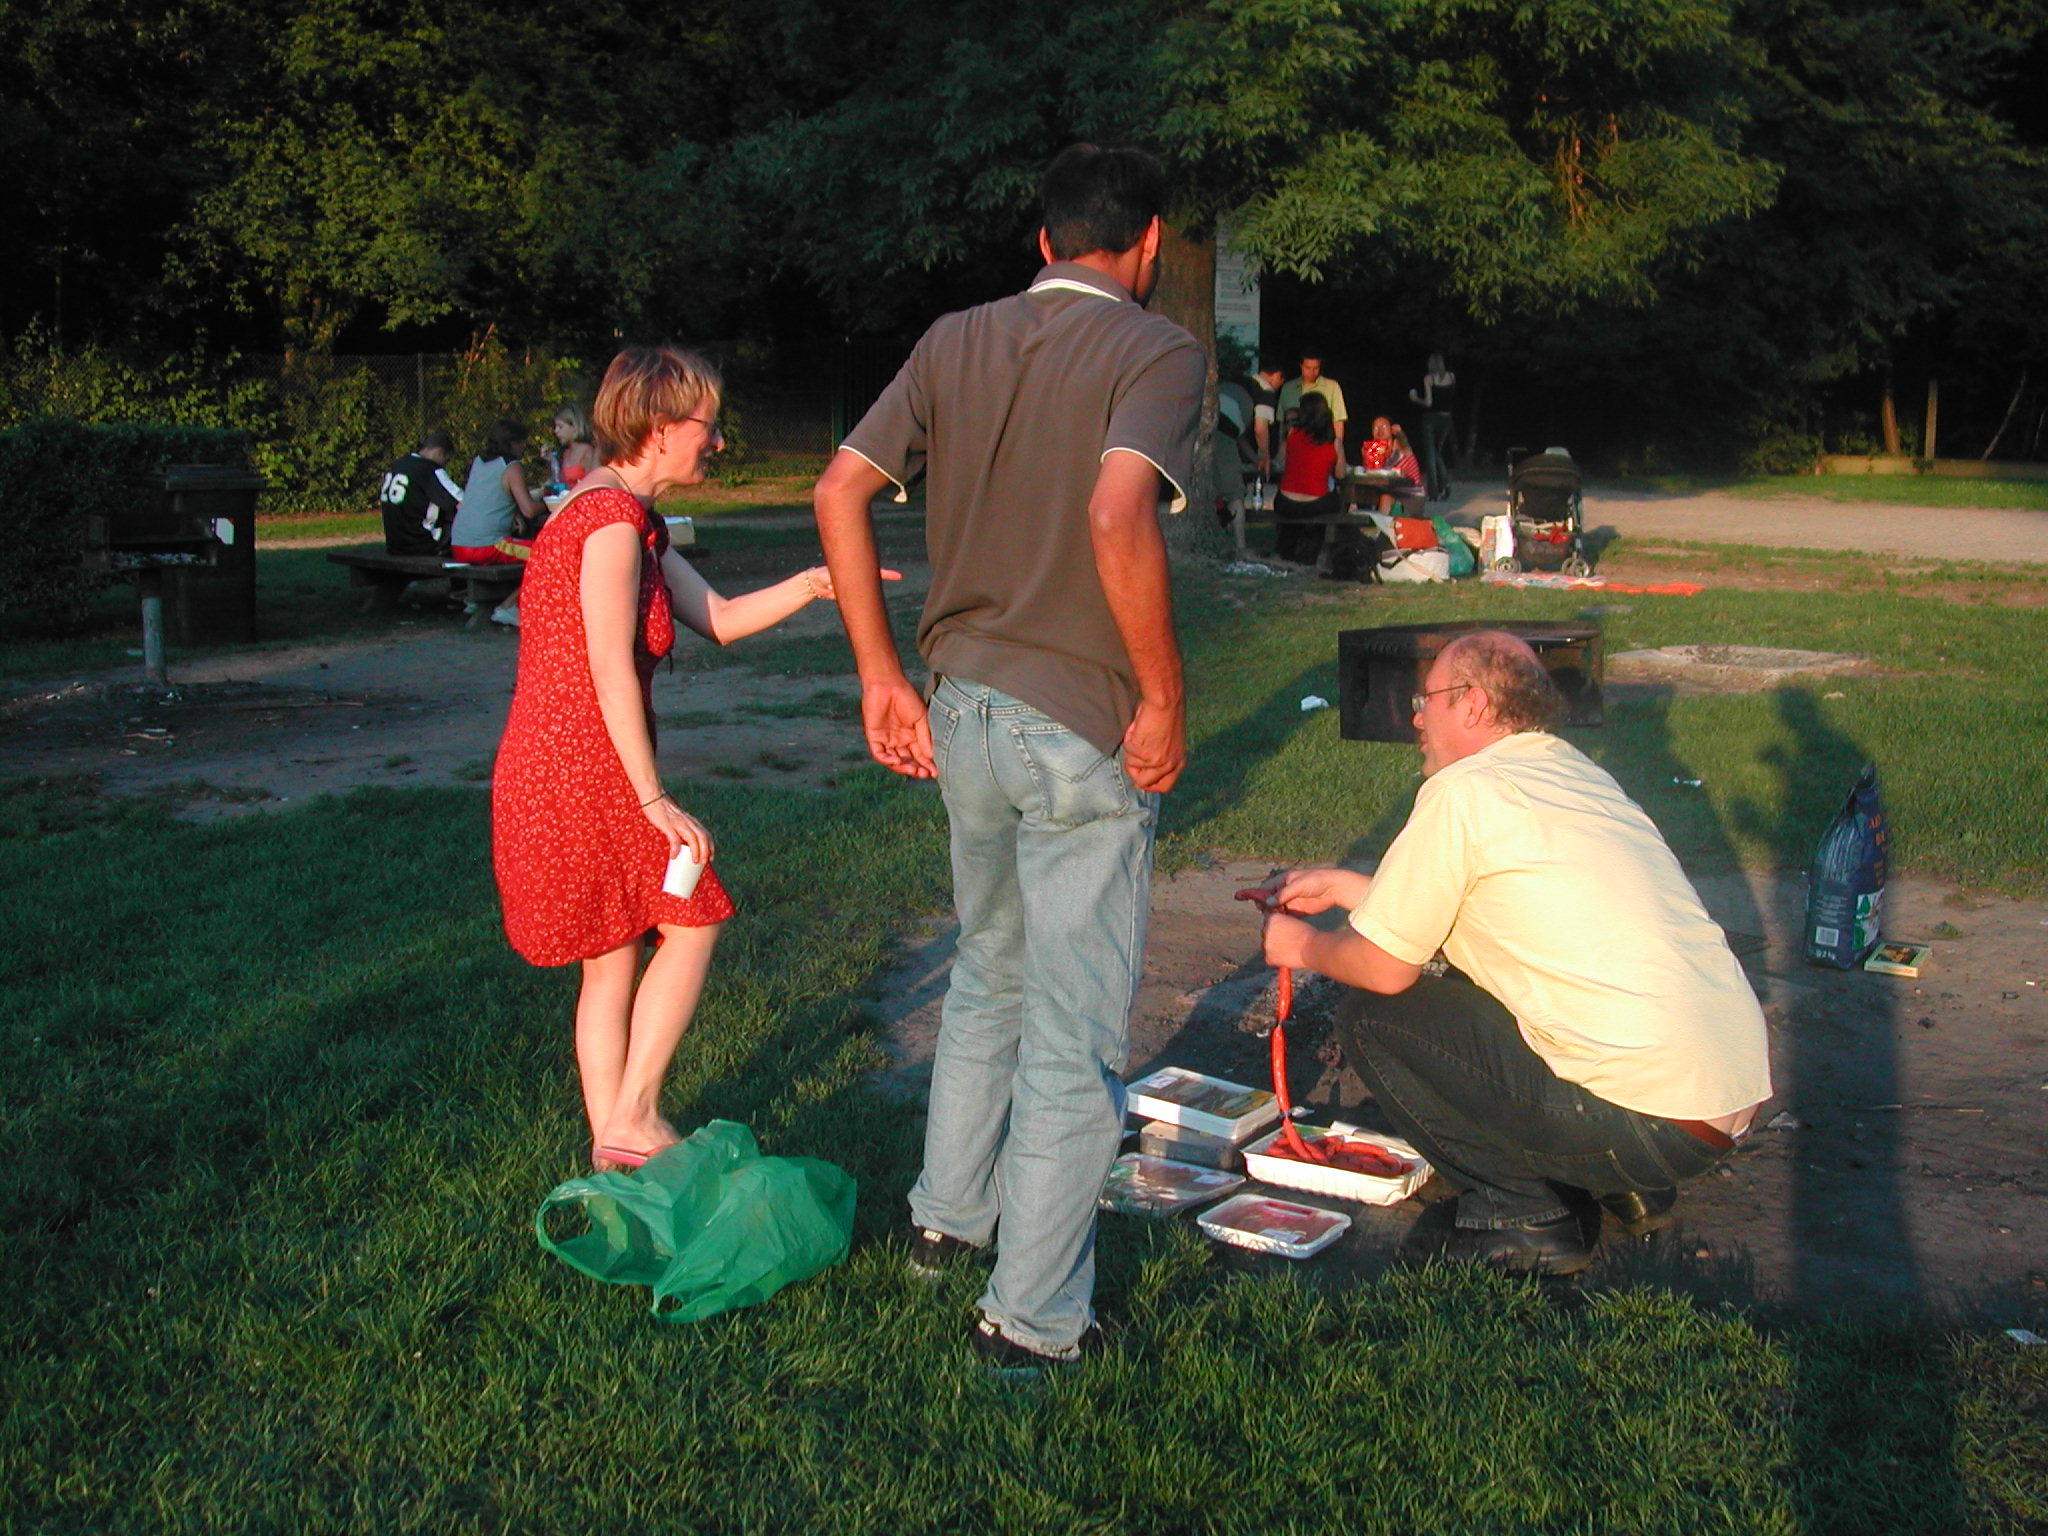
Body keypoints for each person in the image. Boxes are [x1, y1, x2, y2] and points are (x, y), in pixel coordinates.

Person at [812, 142, 1203, 1370]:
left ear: (1043, 241)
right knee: (1074, 1032)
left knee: (987, 970)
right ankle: (1032, 1324)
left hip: (962, 707)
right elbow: (1114, 509)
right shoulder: (1157, 349)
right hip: (1076, 723)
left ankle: (944, 1218)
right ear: (1148, 241)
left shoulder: (952, 338)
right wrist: (1161, 695)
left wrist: (879, 675)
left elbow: (837, 490)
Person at [1251, 631, 1772, 1275]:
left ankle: (1524, 1215)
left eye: (1426, 700)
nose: (1417, 718)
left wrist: (1303, 945)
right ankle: (1625, 1189)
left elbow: (1384, 968)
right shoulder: (1574, 773)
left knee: (1375, 1016)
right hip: (1715, 1103)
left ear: (1471, 704)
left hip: (1643, 1122)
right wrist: (1352, 888)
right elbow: (1505, 912)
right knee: (1485, 985)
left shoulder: (1465, 789)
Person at [492, 344, 885, 1173]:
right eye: (709, 425)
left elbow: (723, 618)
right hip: (580, 765)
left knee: (611, 960)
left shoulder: (625, 515)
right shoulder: (608, 524)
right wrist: (652, 799)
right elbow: (607, 667)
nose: (718, 441)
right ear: (662, 427)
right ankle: (634, 1117)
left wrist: (816, 583)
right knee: (693, 914)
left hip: (565, 758)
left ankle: (613, 1151)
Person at [452, 418, 551, 627]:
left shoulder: (480, 462)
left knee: (530, 550)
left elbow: (490, 496)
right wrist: (551, 504)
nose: (523, 447)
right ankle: (510, 606)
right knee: (549, 554)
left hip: (459, 543)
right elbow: (530, 510)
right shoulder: (512, 467)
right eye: (521, 442)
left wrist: (513, 513)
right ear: (512, 443)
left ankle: (476, 600)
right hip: (486, 545)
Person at [1272, 392, 1344, 564]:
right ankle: (1314, 549)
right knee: (1335, 501)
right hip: (1315, 503)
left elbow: (1281, 463)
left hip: (1285, 502)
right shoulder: (1334, 442)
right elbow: (1340, 474)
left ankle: (1286, 548)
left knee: (1294, 514)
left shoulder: (1292, 434)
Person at [377, 431, 463, 557]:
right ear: (440, 452)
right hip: (422, 544)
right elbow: (463, 502)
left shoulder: (397, 465)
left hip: (395, 545)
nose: (445, 464)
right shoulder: (430, 469)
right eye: (446, 459)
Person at [1407, 352, 1457, 500]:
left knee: (1431, 455)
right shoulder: (1452, 377)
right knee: (1437, 453)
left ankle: (1433, 491)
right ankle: (1445, 485)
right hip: (1446, 418)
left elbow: (1428, 402)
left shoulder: (1429, 378)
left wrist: (1415, 398)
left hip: (1431, 418)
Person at [1277, 353, 1348, 455]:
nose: (1312, 372)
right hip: (1295, 446)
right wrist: (1282, 448)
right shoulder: (1288, 388)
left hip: (1322, 444)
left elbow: (1338, 420)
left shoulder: (1332, 387)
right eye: (1308, 368)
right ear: (1301, 366)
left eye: (1316, 368)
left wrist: (1338, 449)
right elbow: (1282, 423)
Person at [551, 403, 601, 488]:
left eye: (560, 427)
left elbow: (593, 483)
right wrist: (551, 460)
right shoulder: (566, 453)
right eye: (555, 427)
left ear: (574, 427)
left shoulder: (587, 451)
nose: (556, 431)